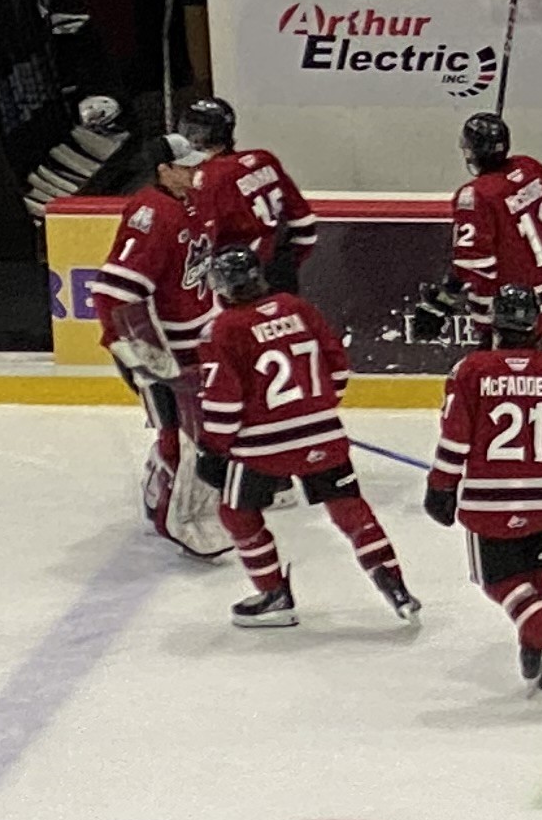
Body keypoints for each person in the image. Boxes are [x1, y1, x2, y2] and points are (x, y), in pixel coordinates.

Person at [193, 243, 421, 631]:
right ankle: (397, 589)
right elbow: (337, 370)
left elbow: (224, 404)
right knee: (350, 509)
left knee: (236, 513)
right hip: (324, 434)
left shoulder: (222, 329)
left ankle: (274, 594)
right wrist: (313, 410)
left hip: (263, 447)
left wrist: (214, 448)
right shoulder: (297, 308)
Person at [424, 284, 542, 697]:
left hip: (491, 500)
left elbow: (455, 438)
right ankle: (532, 643)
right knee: (541, 575)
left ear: (495, 323)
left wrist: (442, 485)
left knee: (498, 580)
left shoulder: (471, 370)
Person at [89, 139, 219, 554]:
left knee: (198, 431)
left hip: (197, 344)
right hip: (164, 348)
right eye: (185, 167)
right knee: (177, 431)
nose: (195, 172)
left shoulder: (193, 202)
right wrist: (138, 348)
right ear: (163, 169)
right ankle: (171, 517)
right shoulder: (151, 214)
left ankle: (165, 489)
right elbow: (115, 290)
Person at [173, 95, 320, 289]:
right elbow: (305, 224)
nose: (191, 137)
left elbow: (202, 240)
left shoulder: (208, 177)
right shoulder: (263, 159)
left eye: (198, 131)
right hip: (276, 272)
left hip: (237, 283)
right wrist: (285, 266)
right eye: (187, 129)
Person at [447, 108, 542, 334]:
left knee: (494, 367)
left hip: (506, 306)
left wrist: (445, 296)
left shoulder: (475, 195)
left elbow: (475, 265)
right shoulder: (530, 167)